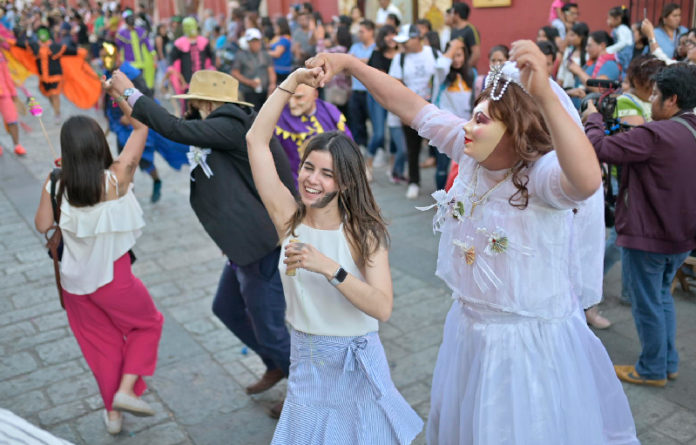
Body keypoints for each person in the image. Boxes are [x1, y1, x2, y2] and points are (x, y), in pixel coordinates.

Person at [306, 40, 639, 444]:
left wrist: (547, 95)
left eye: (481, 120)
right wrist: (350, 64)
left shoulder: (542, 177)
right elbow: (408, 105)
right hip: (470, 333)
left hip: (526, 347)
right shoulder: (470, 153)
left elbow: (586, 181)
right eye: (472, 116)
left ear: (515, 132)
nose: (467, 126)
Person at [246, 66, 423, 445]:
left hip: (359, 360)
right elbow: (256, 142)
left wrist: (330, 268)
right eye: (309, 167)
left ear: (344, 182)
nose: (312, 179)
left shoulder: (364, 233)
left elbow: (382, 307)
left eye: (327, 174)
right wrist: (289, 83)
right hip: (307, 359)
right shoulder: (287, 217)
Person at [108, 69, 294, 417]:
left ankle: (305, 392)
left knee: (269, 327)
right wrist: (124, 100)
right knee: (225, 308)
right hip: (243, 245)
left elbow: (175, 129)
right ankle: (277, 363)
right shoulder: (224, 125)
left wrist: (131, 92)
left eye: (193, 101)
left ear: (205, 101)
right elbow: (178, 131)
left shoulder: (232, 123)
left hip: (262, 245)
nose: (190, 107)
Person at [34, 80, 163, 436]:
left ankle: (113, 417)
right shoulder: (117, 177)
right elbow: (141, 125)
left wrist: (58, 184)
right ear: (98, 144)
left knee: (102, 348)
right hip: (114, 278)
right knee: (148, 324)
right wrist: (120, 96)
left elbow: (43, 224)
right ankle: (125, 392)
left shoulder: (56, 181)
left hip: (75, 284)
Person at [584, 62, 696, 388]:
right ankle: (667, 362)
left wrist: (593, 117)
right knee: (662, 299)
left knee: (647, 306)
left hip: (649, 236)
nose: (652, 102)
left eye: (657, 95)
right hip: (680, 237)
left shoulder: (657, 134)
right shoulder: (688, 129)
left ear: (672, 100)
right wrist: (616, 126)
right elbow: (631, 139)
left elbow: (597, 147)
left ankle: (651, 369)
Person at [390, 24, 439, 199]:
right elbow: (395, 85)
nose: (403, 45)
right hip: (410, 109)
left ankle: (442, 183)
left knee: (440, 147)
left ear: (417, 38)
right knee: (413, 148)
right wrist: (401, 111)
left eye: (406, 41)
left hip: (432, 107)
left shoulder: (432, 54)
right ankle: (414, 181)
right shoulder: (400, 59)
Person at [274, 80, 352, 183]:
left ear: (315, 95)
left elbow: (348, 145)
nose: (292, 104)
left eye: (299, 97)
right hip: (295, 185)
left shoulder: (330, 111)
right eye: (289, 97)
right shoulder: (279, 118)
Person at [433, 38, 475, 190]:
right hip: (446, 130)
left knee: (462, 170)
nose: (456, 59)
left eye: (460, 55)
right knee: (443, 168)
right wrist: (453, 47)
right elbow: (440, 66)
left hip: (466, 131)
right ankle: (440, 201)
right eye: (453, 55)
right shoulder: (442, 77)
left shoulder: (472, 74)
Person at [366, 24, 403, 182]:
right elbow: (374, 77)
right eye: (387, 35)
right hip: (377, 97)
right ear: (382, 37)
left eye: (394, 34)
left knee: (395, 133)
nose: (391, 38)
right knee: (379, 134)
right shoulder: (376, 53)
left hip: (396, 97)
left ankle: (392, 168)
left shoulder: (402, 55)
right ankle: (368, 163)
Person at [168, 17, 215, 114]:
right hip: (186, 83)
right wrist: (174, 74)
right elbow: (172, 60)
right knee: (188, 108)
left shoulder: (204, 42)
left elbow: (211, 57)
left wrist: (212, 69)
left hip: (203, 82)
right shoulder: (179, 43)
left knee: (203, 106)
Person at [347, 19, 376, 152]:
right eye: (359, 32)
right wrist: (363, 61)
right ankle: (361, 146)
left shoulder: (376, 47)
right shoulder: (355, 47)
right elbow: (347, 63)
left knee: (375, 121)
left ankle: (375, 148)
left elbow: (373, 63)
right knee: (357, 121)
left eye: (362, 31)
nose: (360, 34)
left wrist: (355, 61)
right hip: (356, 89)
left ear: (371, 32)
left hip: (371, 91)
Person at [231, 28, 276, 111]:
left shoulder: (265, 55)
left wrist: (272, 84)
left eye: (257, 41)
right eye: (253, 41)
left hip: (264, 91)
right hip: (248, 91)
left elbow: (271, 71)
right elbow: (235, 73)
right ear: (248, 42)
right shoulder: (241, 55)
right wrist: (249, 82)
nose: (256, 44)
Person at [0, 26, 25, 156]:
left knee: (12, 119)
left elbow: (6, 75)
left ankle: (17, 145)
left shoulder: (1, 55)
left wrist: (13, 93)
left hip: (4, 92)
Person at [115, 10, 155, 88]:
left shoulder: (140, 31)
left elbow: (148, 44)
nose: (131, 26)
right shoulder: (122, 34)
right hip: (129, 63)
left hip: (141, 63)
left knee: (141, 83)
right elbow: (118, 47)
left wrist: (153, 54)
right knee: (132, 84)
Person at [449, 2, 480, 67]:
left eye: (451, 13)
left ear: (457, 14)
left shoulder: (470, 30)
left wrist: (466, 69)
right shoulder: (454, 30)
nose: (450, 15)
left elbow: (476, 54)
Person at [606, 6, 633, 74]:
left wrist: (609, 50)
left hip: (624, 54)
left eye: (609, 18)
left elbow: (622, 43)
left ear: (618, 19)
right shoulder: (617, 29)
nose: (607, 21)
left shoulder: (622, 29)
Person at [268, 17, 292, 84]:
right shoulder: (278, 37)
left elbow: (277, 54)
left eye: (276, 26)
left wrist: (265, 53)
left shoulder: (284, 39)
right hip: (277, 69)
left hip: (282, 70)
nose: (274, 28)